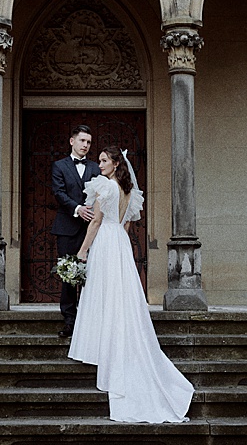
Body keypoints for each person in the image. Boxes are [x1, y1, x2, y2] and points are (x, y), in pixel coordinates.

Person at [68, 146, 194, 423]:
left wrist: (82, 251)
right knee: (121, 296)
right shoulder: (129, 191)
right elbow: (125, 226)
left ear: (114, 164)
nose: (98, 164)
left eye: (103, 160)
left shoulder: (104, 186)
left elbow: (96, 222)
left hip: (105, 244)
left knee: (105, 295)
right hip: (121, 246)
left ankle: (107, 344)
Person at [51, 124, 101, 338]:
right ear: (72, 141)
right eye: (82, 141)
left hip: (92, 230)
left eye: (88, 142)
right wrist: (78, 208)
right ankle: (70, 322)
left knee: (93, 275)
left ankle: (90, 323)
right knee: (69, 276)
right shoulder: (59, 166)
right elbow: (58, 193)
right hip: (67, 229)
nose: (85, 145)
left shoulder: (96, 168)